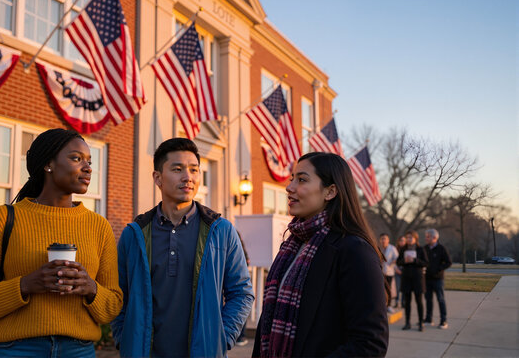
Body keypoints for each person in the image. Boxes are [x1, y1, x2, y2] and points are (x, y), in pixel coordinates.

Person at [0, 128, 123, 357]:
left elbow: (112, 306)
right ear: (48, 164)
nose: (87, 168)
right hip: (14, 350)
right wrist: (25, 285)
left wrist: (90, 288)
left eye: (89, 161)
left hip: (78, 351)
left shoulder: (99, 227)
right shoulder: (2, 219)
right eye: (76, 158)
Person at [111, 138, 254, 357]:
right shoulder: (134, 234)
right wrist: (125, 339)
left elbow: (242, 293)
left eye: (194, 170)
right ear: (158, 178)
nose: (188, 177)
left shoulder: (221, 231)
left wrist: (221, 337)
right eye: (177, 169)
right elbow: (118, 295)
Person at [253, 152, 388, 357]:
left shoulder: (354, 251)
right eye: (292, 180)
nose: (289, 188)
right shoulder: (291, 247)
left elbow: (370, 343)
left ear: (330, 191)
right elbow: (267, 323)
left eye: (302, 180)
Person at [397, 230, 428, 331]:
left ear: (415, 238)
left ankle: (421, 324)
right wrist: (404, 261)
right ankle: (407, 323)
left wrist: (415, 260)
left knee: (419, 301)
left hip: (417, 279)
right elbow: (398, 262)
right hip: (406, 278)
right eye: (407, 237)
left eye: (411, 237)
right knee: (407, 302)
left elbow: (426, 263)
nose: (409, 239)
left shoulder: (420, 249)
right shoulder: (403, 249)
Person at [423, 228, 452, 329]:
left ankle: (443, 321)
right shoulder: (425, 248)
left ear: (434, 238)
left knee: (440, 299)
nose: (426, 238)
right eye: (426, 236)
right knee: (428, 300)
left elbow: (449, 262)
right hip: (427, 279)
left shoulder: (441, 249)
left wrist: (438, 269)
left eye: (428, 237)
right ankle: (428, 319)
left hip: (438, 280)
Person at [236, 230, 251, 346]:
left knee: (240, 299)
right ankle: (239, 336)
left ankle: (240, 336)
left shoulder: (229, 231)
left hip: (236, 276)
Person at [380, 233, 399, 313]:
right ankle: (382, 305)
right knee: (381, 289)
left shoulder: (392, 248)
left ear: (388, 240)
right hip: (380, 272)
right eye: (382, 239)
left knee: (389, 289)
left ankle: (389, 305)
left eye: (385, 238)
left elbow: (397, 257)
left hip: (389, 272)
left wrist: (392, 263)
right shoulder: (379, 248)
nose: (383, 240)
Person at [394, 235, 406, 308]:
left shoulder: (407, 249)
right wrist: (396, 269)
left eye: (404, 241)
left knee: (404, 287)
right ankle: (396, 302)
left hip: (405, 271)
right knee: (397, 288)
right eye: (401, 240)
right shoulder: (395, 250)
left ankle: (403, 302)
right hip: (397, 270)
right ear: (398, 242)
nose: (402, 242)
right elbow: (394, 261)